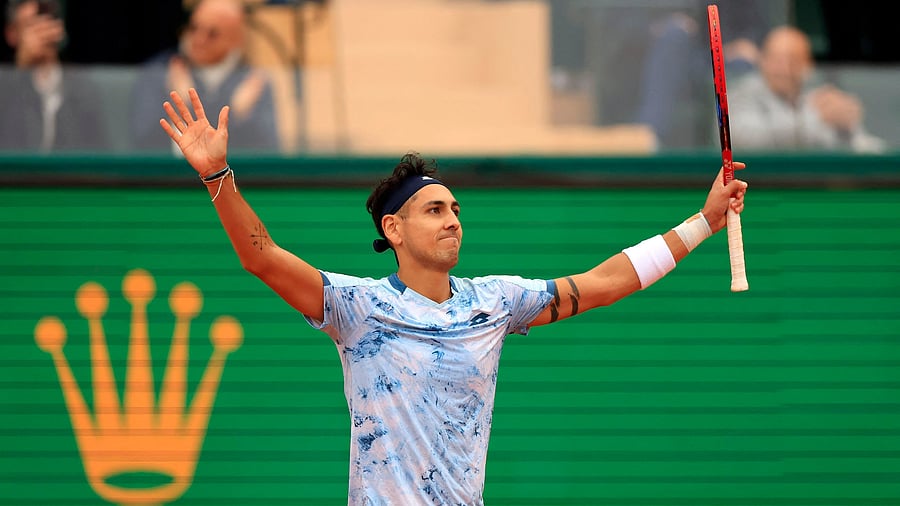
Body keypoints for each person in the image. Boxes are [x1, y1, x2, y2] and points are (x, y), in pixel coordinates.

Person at [159, 87, 748, 505]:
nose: (453, 221)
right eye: (434, 210)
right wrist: (218, 176)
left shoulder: (495, 302)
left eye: (456, 210)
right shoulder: (355, 308)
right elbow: (260, 257)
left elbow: (604, 283)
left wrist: (701, 222)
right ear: (393, 230)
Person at [130, 0, 279, 154]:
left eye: (212, 34)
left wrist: (240, 116)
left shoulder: (251, 81)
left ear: (236, 40)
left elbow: (267, 152)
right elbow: (143, 144)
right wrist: (181, 105)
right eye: (194, 28)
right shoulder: (160, 72)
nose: (199, 39)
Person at [728, 25, 886, 153]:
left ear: (808, 65)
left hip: (815, 184)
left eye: (793, 60)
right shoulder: (741, 93)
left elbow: (860, 145)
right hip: (759, 184)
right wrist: (818, 119)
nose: (784, 68)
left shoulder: (817, 96)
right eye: (776, 59)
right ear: (762, 60)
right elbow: (745, 140)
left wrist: (846, 128)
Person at [0, 0, 109, 152]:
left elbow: (99, 151)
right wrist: (21, 70)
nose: (41, 32)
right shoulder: (5, 86)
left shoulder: (82, 87)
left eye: (48, 22)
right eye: (30, 25)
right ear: (11, 34)